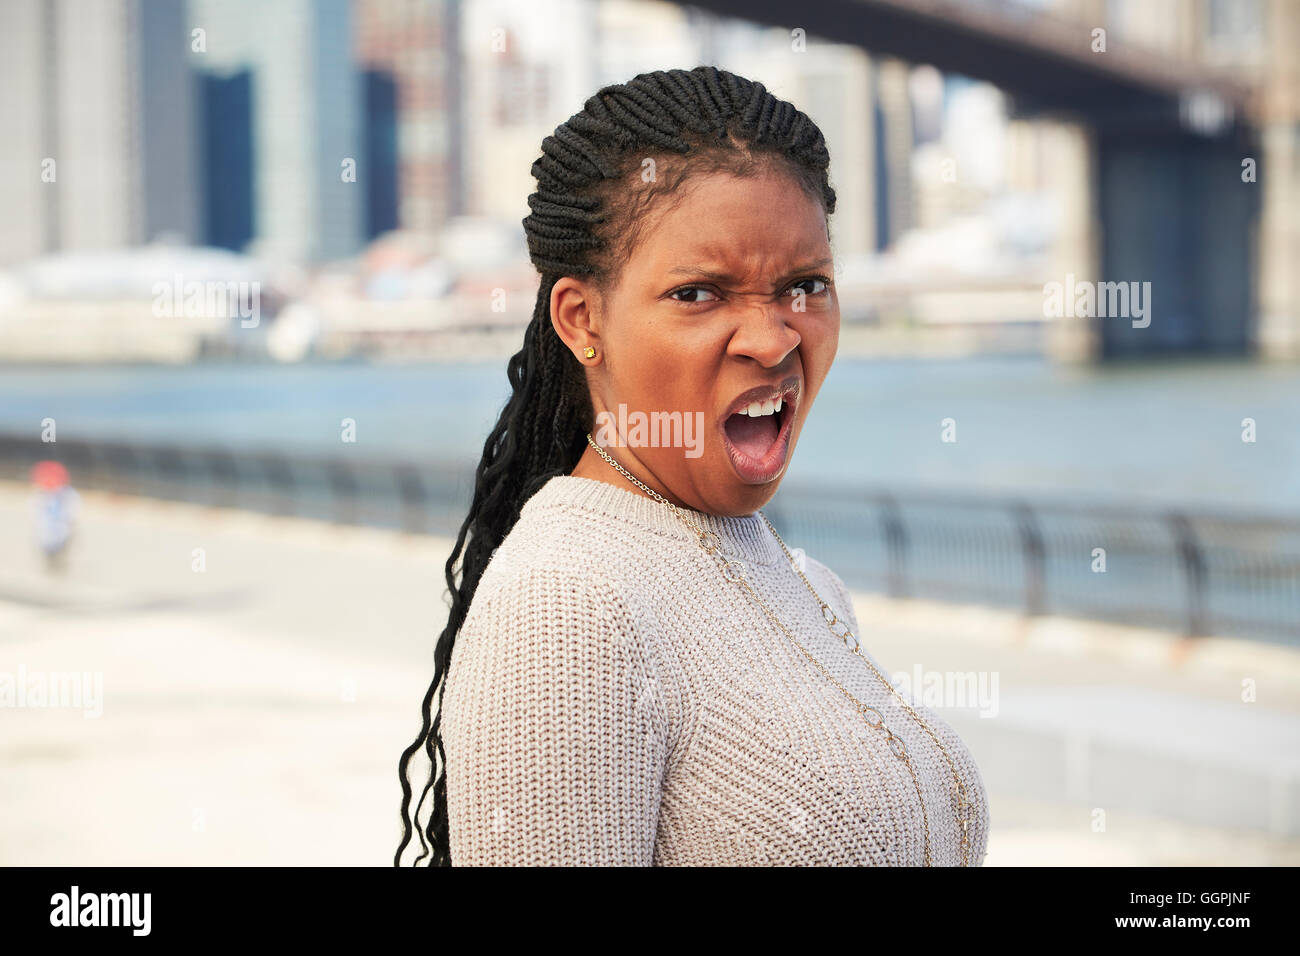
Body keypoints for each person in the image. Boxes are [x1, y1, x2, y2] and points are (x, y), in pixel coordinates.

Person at [396, 66, 990, 866]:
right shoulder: (566, 609)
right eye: (701, 294)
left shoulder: (798, 577)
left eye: (805, 286)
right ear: (581, 319)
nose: (775, 338)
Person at [30, 461, 79, 574]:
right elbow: (36, 512)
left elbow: (72, 512)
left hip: (62, 529)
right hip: (47, 530)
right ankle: (50, 566)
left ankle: (59, 567)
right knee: (48, 550)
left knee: (61, 550)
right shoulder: (40, 495)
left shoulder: (68, 494)